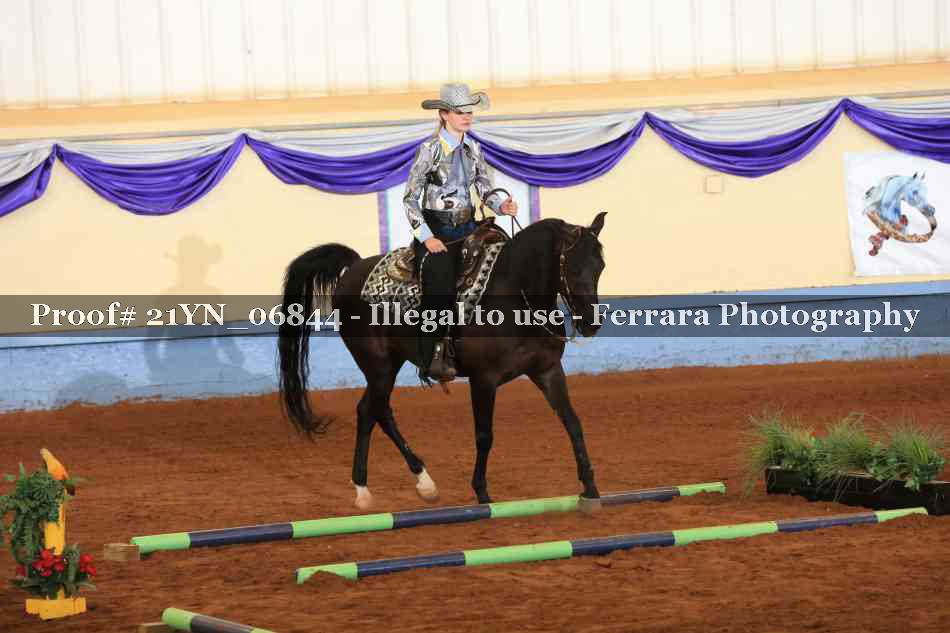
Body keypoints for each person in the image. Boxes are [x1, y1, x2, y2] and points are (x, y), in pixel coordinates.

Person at [403, 83, 519, 383]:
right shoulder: (429, 150)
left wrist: (500, 205)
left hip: (468, 226)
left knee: (505, 262)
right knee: (440, 287)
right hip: (436, 230)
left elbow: (484, 187)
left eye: (469, 112)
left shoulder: (474, 149)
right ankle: (431, 355)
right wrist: (426, 237)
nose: (467, 117)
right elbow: (410, 199)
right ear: (444, 115)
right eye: (459, 112)